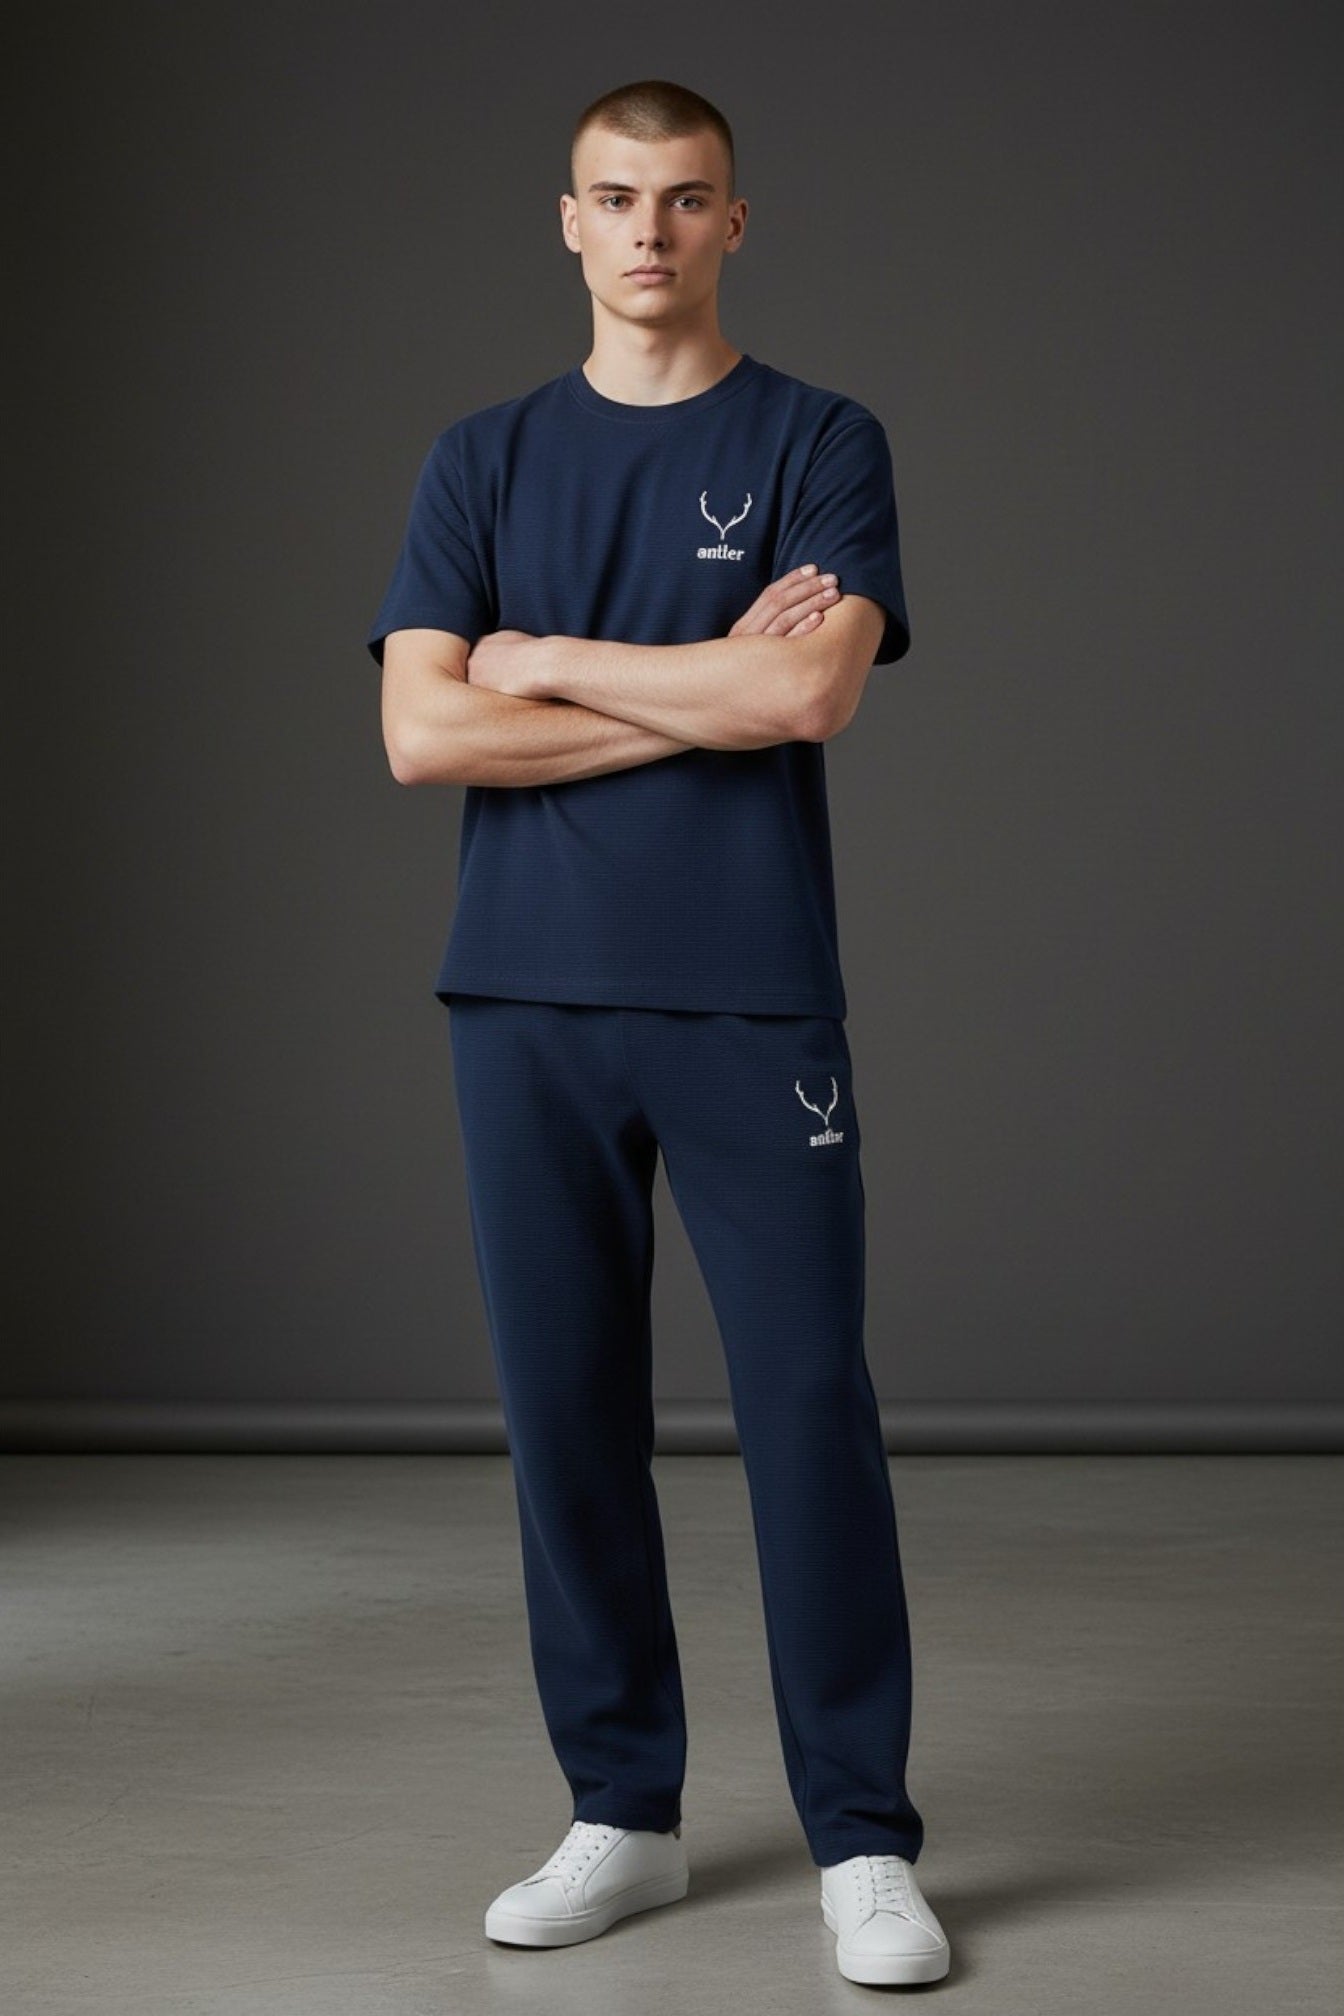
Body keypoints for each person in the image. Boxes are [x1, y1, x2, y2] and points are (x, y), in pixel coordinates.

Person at [365, 77, 951, 1990]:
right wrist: (700, 691)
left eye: (683, 201)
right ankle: (622, 1813)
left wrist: (542, 658)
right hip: (519, 992)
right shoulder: (482, 459)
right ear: (567, 221)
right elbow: (420, 735)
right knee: (568, 1422)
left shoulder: (819, 439)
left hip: (747, 988)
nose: (646, 233)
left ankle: (863, 1840)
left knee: (803, 1410)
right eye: (614, 200)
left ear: (733, 223)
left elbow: (814, 704)